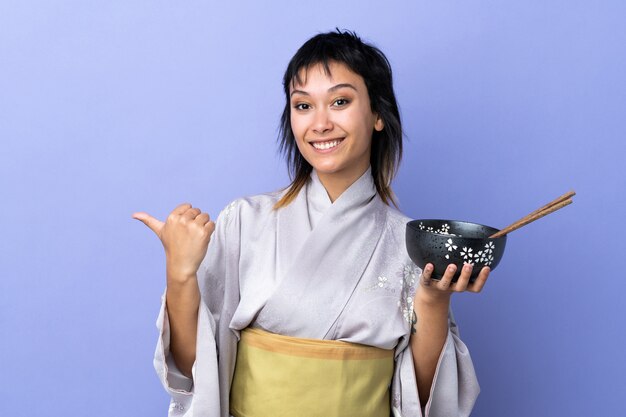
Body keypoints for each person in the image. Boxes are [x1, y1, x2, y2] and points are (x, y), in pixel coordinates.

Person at [133, 29, 489, 417]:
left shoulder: (410, 243)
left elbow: (424, 399)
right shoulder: (245, 222)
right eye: (303, 106)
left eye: (340, 101)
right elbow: (192, 369)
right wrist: (180, 274)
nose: (319, 123)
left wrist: (433, 300)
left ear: (378, 116)